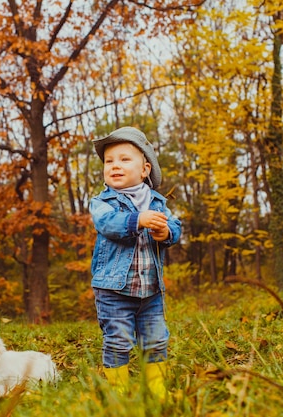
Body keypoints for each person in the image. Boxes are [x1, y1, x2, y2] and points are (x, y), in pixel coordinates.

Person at [89, 126, 182, 399]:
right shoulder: (102, 202)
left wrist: (167, 233)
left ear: (145, 169)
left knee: (156, 340)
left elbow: (175, 226)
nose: (115, 165)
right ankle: (118, 392)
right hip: (114, 291)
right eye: (109, 161)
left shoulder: (157, 202)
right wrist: (137, 220)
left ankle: (157, 390)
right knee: (118, 340)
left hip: (151, 291)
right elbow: (108, 224)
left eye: (124, 159)